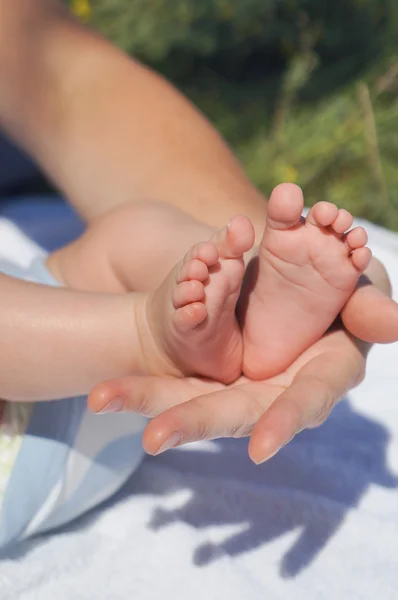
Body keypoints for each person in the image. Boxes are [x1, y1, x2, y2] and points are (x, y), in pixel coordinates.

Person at [0, 0, 397, 546]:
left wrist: (248, 255)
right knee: (124, 250)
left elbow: (37, 52)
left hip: (67, 352)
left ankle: (221, 306)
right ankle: (157, 326)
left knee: (130, 244)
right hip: (91, 428)